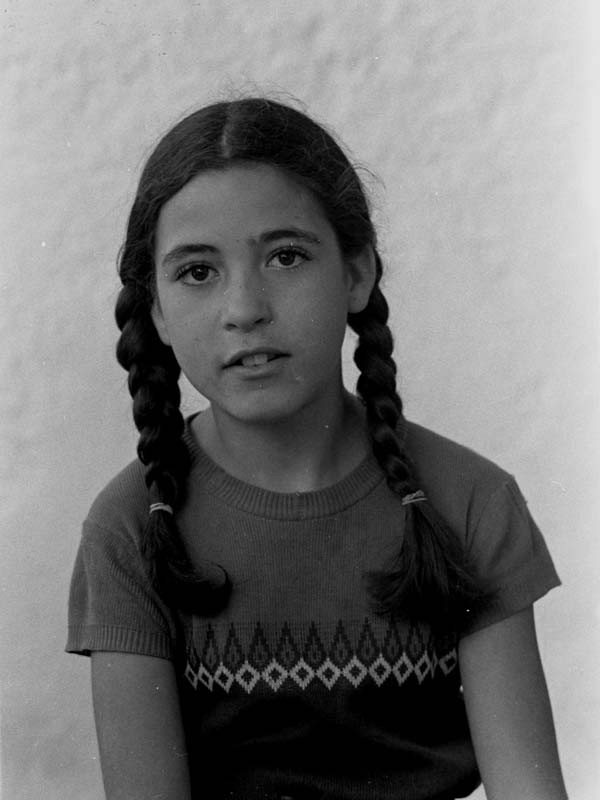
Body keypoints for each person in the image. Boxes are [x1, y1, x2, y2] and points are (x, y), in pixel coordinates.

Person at [66, 97, 568, 800]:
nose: (245, 309)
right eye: (198, 272)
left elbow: (529, 789)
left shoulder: (470, 501)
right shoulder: (131, 527)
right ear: (155, 309)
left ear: (356, 273)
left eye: (286, 257)